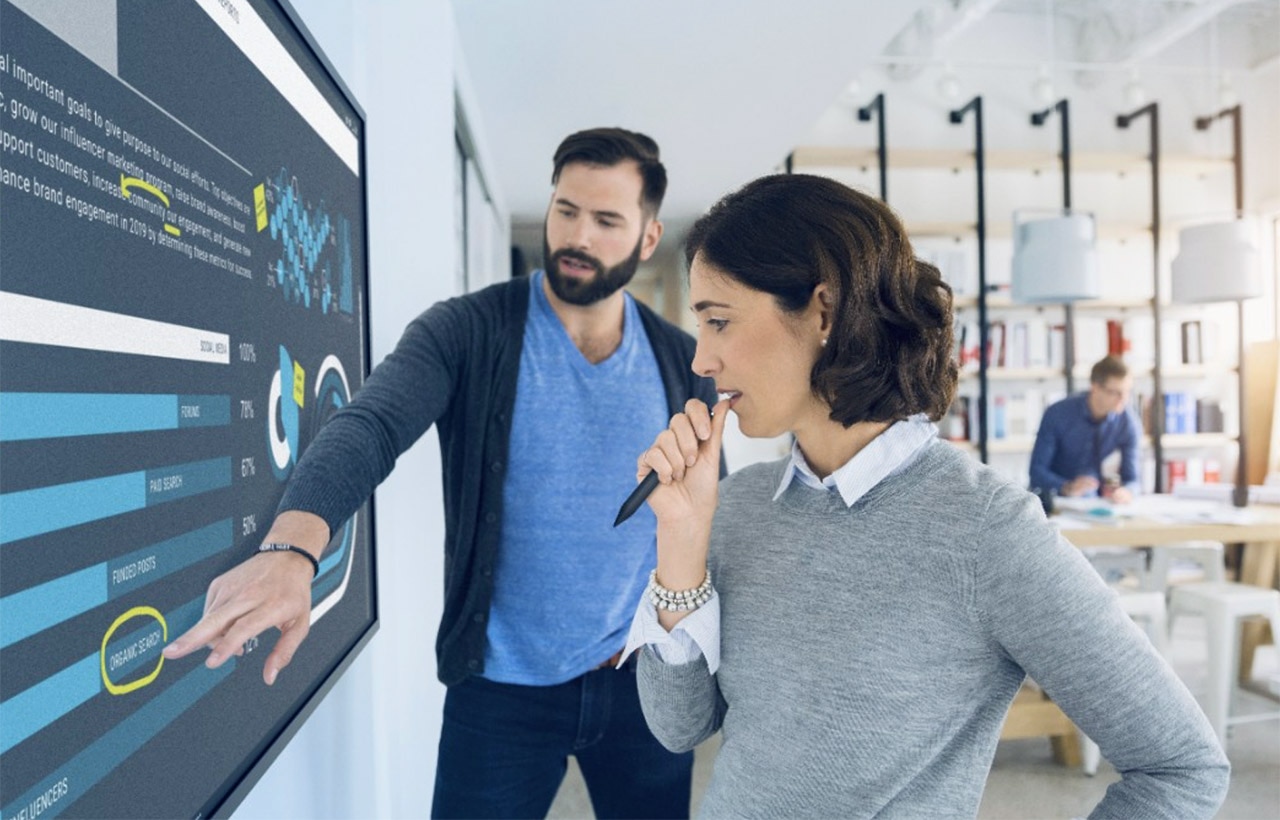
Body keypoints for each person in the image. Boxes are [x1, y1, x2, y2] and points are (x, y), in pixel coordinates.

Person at [619, 173, 1229, 817]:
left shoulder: (985, 530)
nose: (701, 360)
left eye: (718, 321)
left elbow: (1180, 767)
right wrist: (681, 543)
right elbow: (678, 727)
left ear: (824, 312)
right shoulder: (737, 503)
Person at [163, 128, 717, 819]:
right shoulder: (466, 332)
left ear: (646, 236)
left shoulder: (684, 363)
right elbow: (371, 424)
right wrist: (292, 548)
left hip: (641, 683)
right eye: (565, 209)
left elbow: (702, 522)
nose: (578, 235)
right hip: (501, 692)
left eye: (606, 221)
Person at [1030, 355, 1143, 504]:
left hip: (1096, 503)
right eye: (1115, 392)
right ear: (1095, 388)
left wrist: (1126, 492)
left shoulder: (1128, 422)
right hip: (1053, 501)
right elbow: (1037, 472)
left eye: (1127, 391)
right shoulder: (1057, 413)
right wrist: (1067, 487)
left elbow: (1133, 479)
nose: (1123, 399)